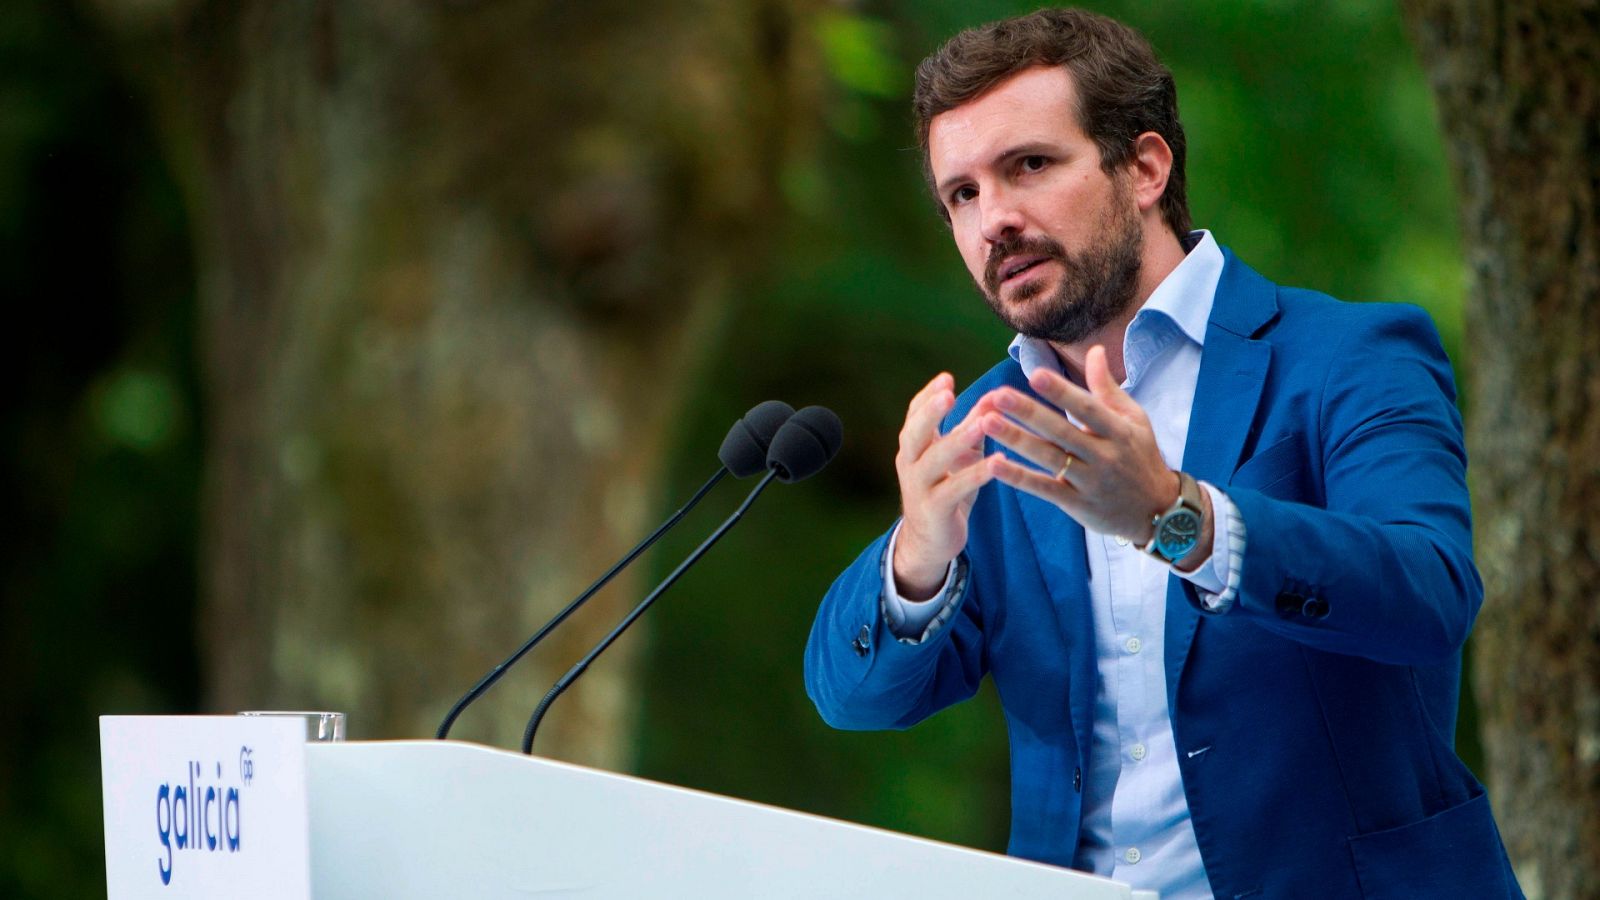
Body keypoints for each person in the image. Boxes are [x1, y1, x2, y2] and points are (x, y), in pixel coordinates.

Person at [803, 8, 1522, 899]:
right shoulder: (987, 424)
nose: (995, 220)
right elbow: (855, 697)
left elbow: (1430, 593)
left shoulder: (1349, 357)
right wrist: (919, 553)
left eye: (1029, 165)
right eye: (964, 194)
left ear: (1144, 167)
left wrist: (1175, 516)